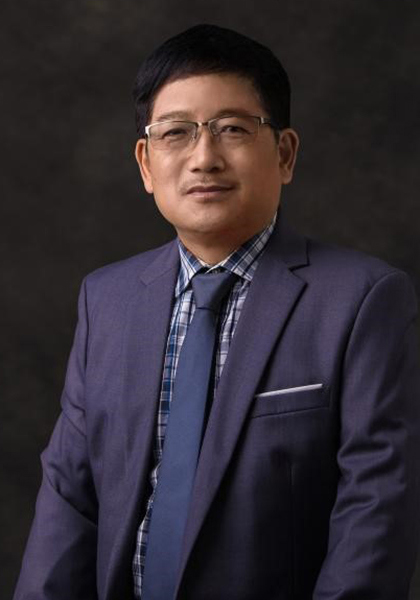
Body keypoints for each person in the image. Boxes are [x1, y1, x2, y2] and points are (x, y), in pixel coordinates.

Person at [14, 23, 420, 600]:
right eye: (176, 133)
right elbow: (69, 499)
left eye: (232, 128)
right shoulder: (106, 300)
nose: (204, 158)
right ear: (146, 164)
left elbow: (376, 512)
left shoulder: (362, 300)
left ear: (284, 154)